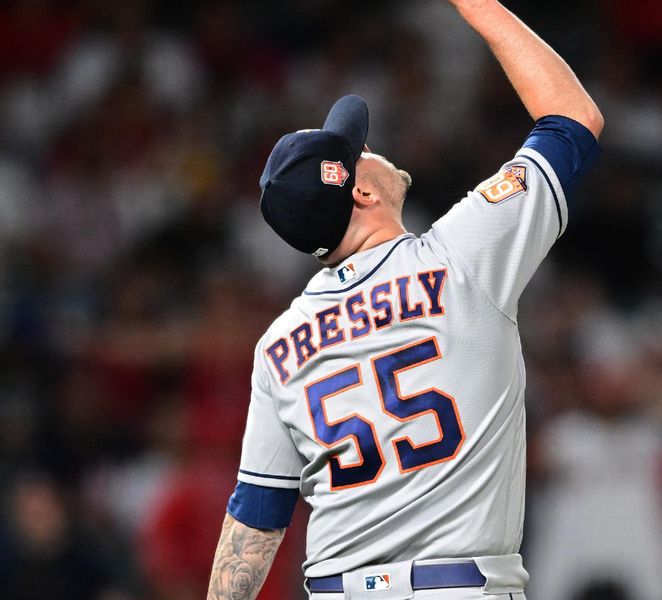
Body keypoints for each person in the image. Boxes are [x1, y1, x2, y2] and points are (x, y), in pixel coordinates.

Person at [206, 1, 603, 598]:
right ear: (362, 190)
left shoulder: (279, 346)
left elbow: (256, 517)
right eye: (358, 150)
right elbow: (572, 117)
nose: (371, 149)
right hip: (462, 586)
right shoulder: (462, 255)